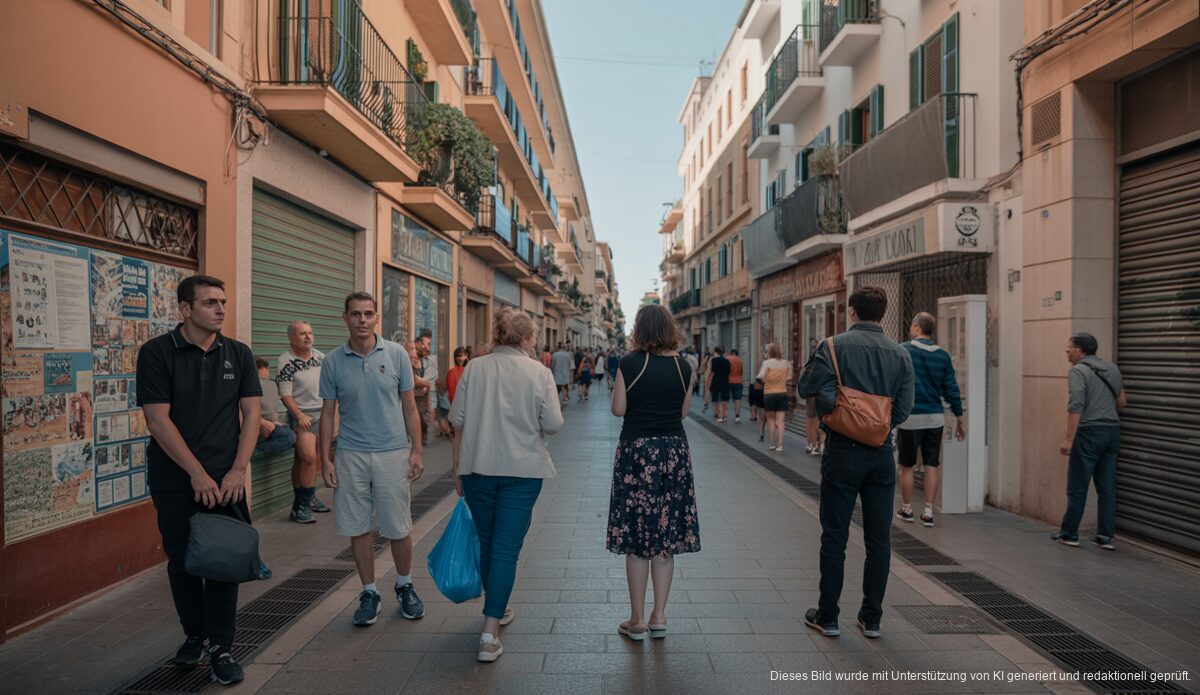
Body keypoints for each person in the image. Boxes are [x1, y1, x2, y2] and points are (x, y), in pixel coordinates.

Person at [137, 275, 260, 686]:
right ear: (185, 309)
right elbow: (158, 419)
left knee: (224, 563)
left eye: (223, 301)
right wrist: (196, 474)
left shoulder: (239, 354)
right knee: (183, 562)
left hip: (228, 481)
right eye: (209, 303)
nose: (220, 309)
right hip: (176, 479)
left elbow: (252, 416)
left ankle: (223, 647)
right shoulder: (157, 353)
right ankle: (195, 635)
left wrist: (239, 469)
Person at [797, 286, 914, 640]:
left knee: (835, 536)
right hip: (881, 454)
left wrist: (839, 406)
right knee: (880, 539)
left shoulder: (832, 346)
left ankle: (828, 616)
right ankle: (872, 618)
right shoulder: (901, 355)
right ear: (883, 313)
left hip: (842, 451)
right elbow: (904, 411)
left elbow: (805, 389)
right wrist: (874, 423)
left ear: (851, 311)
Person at [449, 309, 563, 663]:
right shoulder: (539, 373)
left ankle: (495, 607)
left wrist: (456, 468)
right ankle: (488, 633)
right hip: (522, 471)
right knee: (505, 548)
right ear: (528, 339)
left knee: (488, 542)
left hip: (477, 468)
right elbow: (555, 424)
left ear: (497, 336)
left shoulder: (474, 368)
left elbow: (457, 419)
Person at [319, 292, 426, 628]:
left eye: (368, 314)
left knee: (398, 527)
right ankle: (368, 592)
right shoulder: (333, 361)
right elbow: (327, 414)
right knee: (358, 527)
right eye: (355, 314)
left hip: (393, 453)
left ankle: (405, 585)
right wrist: (326, 459)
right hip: (350, 455)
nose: (362, 320)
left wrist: (417, 450)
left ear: (377, 318)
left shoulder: (395, 355)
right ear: (345, 318)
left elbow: (410, 407)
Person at [609, 304, 699, 642]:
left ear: (639, 329)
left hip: (637, 453)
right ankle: (659, 615)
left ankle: (636, 620)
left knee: (636, 539)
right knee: (665, 537)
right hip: (674, 452)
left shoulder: (629, 363)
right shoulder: (684, 366)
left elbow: (619, 409)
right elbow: (685, 411)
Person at [1052, 332, 1126, 550]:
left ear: (1080, 350)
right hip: (1112, 432)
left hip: (1089, 432)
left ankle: (1069, 534)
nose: (1066, 350)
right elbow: (1122, 402)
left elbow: (1076, 406)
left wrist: (1068, 440)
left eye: (1069, 347)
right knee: (1107, 488)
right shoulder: (1112, 368)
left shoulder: (1078, 371)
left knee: (1077, 486)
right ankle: (1105, 537)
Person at [896, 313, 964, 528]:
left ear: (916, 327)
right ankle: (928, 512)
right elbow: (951, 389)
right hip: (935, 417)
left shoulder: (904, 350)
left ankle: (907, 508)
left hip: (910, 417)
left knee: (906, 465)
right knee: (932, 464)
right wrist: (960, 418)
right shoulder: (943, 356)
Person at [276, 321, 330, 524]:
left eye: (310, 333)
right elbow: (285, 394)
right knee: (307, 456)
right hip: (301, 415)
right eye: (302, 334)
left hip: (321, 413)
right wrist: (299, 415)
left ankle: (309, 498)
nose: (308, 337)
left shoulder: (321, 357)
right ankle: (301, 507)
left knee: (309, 459)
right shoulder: (286, 361)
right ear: (291, 338)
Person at [254, 357, 296, 457]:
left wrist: (276, 422)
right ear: (266, 368)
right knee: (291, 437)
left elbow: (272, 410)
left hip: (270, 426)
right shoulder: (254, 384)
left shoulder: (271, 384)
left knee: (290, 432)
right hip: (260, 429)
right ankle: (253, 450)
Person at [757, 344, 792, 452]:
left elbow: (760, 377)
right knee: (780, 421)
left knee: (771, 420)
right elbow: (789, 377)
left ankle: (772, 444)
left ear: (770, 352)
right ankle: (780, 445)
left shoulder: (766, 363)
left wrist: (766, 381)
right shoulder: (786, 363)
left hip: (769, 394)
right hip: (782, 393)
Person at [414, 330, 438, 446]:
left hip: (423, 403)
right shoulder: (408, 359)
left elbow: (426, 384)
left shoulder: (429, 363)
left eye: (430, 345)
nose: (428, 349)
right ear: (418, 343)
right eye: (427, 344)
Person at [440, 347, 469, 438]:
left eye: (464, 355)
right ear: (455, 357)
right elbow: (452, 392)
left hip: (466, 405)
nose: (462, 358)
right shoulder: (452, 372)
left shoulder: (468, 370)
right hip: (458, 405)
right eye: (459, 356)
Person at [803, 339, 824, 457]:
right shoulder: (827, 362)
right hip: (822, 395)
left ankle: (812, 444)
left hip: (812, 395)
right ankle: (819, 445)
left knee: (811, 420)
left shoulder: (811, 364)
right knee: (819, 420)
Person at [706, 347, 731, 423]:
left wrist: (707, 382)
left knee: (717, 399)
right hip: (725, 381)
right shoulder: (727, 361)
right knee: (725, 399)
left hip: (716, 381)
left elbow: (712, 371)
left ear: (715, 352)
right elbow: (729, 372)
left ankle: (719, 416)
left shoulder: (713, 360)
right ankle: (724, 416)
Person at [727, 348, 744, 423]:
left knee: (725, 399)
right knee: (737, 399)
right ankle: (737, 416)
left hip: (728, 380)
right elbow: (741, 371)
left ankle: (723, 415)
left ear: (731, 353)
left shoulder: (727, 358)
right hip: (738, 381)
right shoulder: (740, 360)